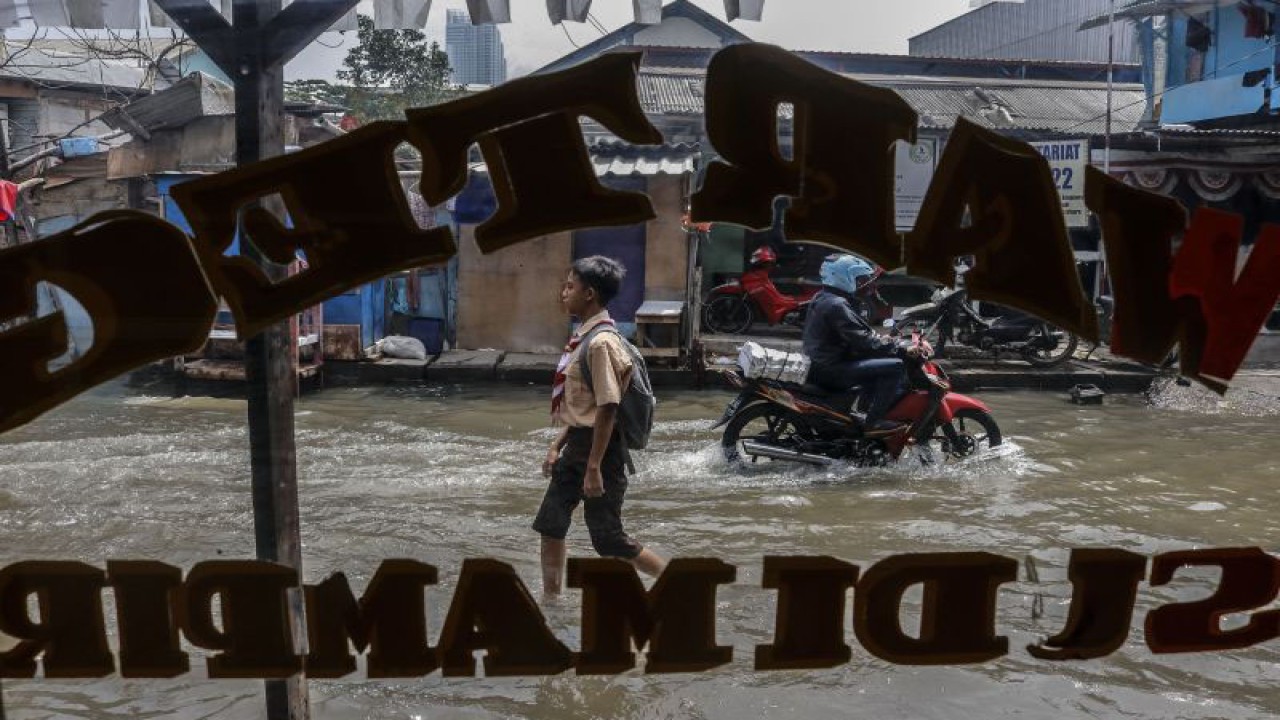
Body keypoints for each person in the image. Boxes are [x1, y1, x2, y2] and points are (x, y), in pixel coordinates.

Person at [533, 255, 666, 595]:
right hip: (579, 445)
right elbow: (586, 407)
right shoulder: (585, 337)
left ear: (589, 293)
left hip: (600, 452)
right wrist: (556, 445)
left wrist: (594, 467)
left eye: (569, 286)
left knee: (609, 540)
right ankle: (552, 601)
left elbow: (608, 407)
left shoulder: (602, 343)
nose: (563, 293)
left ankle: (677, 584)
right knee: (551, 525)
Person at [802, 254, 916, 434]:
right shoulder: (837, 305)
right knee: (896, 366)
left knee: (875, 366)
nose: (864, 284)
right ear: (842, 278)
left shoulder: (824, 297)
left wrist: (882, 340)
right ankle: (874, 422)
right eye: (859, 279)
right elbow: (864, 341)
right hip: (831, 369)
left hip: (820, 364)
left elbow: (857, 334)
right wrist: (901, 347)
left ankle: (863, 412)